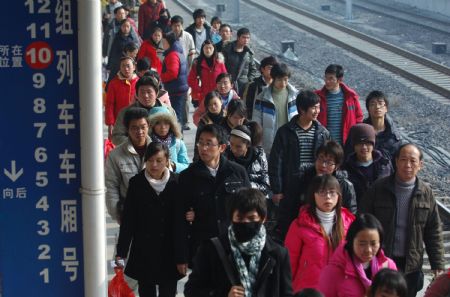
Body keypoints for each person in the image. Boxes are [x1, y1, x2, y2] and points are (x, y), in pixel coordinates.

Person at [359, 143, 445, 297]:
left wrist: (437, 263)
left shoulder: (426, 193)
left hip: (411, 264)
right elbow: (363, 220)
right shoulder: (379, 188)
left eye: (413, 161)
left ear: (420, 165)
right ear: (396, 161)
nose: (408, 165)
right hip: (382, 259)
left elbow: (433, 231)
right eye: (403, 159)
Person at [184, 188, 294, 297]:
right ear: (231, 218)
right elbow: (191, 291)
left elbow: (286, 293)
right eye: (240, 218)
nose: (246, 222)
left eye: (251, 218)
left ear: (263, 218)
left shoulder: (278, 253)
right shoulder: (211, 249)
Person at [174, 124, 251, 268]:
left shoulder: (238, 173)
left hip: (233, 248)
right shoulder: (187, 177)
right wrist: (181, 256)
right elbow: (180, 219)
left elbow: (249, 210)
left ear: (221, 147)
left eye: (209, 144)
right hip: (203, 249)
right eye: (201, 143)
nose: (203, 148)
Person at [116, 142, 181, 297]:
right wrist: (121, 252)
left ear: (167, 160)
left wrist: (183, 256)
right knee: (146, 291)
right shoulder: (137, 183)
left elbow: (181, 221)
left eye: (159, 160)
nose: (154, 165)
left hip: (169, 250)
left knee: (168, 292)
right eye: (150, 160)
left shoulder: (177, 182)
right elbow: (128, 221)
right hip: (144, 250)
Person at [285, 174, 355, 293]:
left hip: (340, 290)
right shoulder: (299, 225)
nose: (328, 197)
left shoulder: (350, 224)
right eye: (322, 192)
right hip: (308, 291)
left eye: (332, 192)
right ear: (313, 195)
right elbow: (289, 264)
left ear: (339, 196)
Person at [277, 141, 357, 239]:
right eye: (321, 159)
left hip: (335, 234)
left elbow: (350, 216)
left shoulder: (344, 186)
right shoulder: (300, 180)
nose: (323, 165)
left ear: (336, 166)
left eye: (329, 162)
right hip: (303, 233)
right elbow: (287, 211)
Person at [269, 89, 328, 210]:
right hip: (290, 185)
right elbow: (276, 161)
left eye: (318, 107)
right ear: (301, 109)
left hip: (314, 184)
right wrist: (277, 189)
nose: (317, 111)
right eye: (314, 108)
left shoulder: (323, 133)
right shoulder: (285, 132)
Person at [319, 213, 397, 297]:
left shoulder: (388, 267)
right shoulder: (334, 271)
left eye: (373, 244)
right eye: (362, 244)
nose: (368, 250)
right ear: (351, 242)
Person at [105, 107, 151, 223]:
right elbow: (111, 186)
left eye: (142, 127)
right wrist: (119, 215)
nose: (139, 132)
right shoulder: (115, 155)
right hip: (129, 213)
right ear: (127, 129)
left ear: (148, 126)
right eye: (134, 128)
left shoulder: (160, 151)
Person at [112, 75, 175, 145]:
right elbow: (116, 137)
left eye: (149, 92)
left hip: (164, 153)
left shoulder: (168, 110)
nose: (146, 95)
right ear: (136, 94)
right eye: (142, 92)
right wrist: (137, 143)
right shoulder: (126, 112)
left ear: (157, 93)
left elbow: (177, 134)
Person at [345, 90, 403, 161]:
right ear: (368, 109)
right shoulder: (359, 132)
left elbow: (398, 160)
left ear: (386, 108)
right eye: (373, 104)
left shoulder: (394, 135)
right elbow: (348, 155)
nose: (377, 107)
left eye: (380, 103)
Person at [253, 63, 298, 154]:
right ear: (273, 78)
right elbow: (257, 121)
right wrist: (258, 142)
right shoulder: (263, 97)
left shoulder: (294, 96)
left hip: (289, 140)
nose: (283, 83)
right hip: (270, 142)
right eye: (279, 80)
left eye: (285, 79)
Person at [343, 123, 393, 204]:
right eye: (360, 143)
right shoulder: (347, 168)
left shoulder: (384, 165)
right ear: (354, 145)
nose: (364, 147)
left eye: (368, 143)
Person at [315, 64, 363, 145]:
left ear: (339, 80)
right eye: (326, 78)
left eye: (331, 78)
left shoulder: (351, 97)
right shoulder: (318, 97)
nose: (327, 81)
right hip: (325, 143)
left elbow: (359, 117)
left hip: (347, 143)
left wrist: (355, 136)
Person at [224, 125, 270, 197]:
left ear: (248, 144)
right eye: (231, 144)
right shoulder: (225, 156)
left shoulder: (259, 156)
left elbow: (266, 186)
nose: (234, 149)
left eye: (239, 146)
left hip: (255, 201)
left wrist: (246, 185)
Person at [188, 39, 227, 115]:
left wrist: (223, 89)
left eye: (210, 48)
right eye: (206, 48)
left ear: (214, 49)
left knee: (218, 115)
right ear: (202, 49)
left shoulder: (219, 62)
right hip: (204, 95)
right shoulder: (197, 62)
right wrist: (199, 89)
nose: (208, 50)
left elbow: (225, 78)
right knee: (204, 116)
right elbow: (190, 79)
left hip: (218, 94)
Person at [148, 106, 189, 173]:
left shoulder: (178, 143)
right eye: (158, 123)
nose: (163, 127)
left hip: (174, 181)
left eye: (166, 123)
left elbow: (186, 166)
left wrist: (174, 166)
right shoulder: (147, 143)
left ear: (171, 125)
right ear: (152, 125)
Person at [105, 56, 139, 136]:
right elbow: (109, 105)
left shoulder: (139, 82)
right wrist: (110, 124)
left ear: (134, 67)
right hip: (119, 122)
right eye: (123, 66)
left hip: (137, 121)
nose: (126, 69)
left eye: (128, 66)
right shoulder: (113, 84)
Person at [161, 33, 189, 127]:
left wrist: (161, 76)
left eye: (164, 42)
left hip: (175, 90)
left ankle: (178, 139)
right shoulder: (177, 52)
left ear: (169, 43)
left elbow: (172, 73)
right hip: (178, 88)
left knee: (176, 117)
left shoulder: (172, 55)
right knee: (177, 116)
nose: (163, 45)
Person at [222, 27, 258, 97]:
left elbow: (253, 69)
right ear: (238, 37)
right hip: (228, 83)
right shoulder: (227, 49)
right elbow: (222, 66)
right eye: (244, 37)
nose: (246, 40)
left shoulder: (248, 53)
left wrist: (248, 81)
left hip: (243, 86)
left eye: (248, 38)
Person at [193, 91, 226, 161]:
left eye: (215, 104)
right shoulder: (204, 121)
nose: (213, 107)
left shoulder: (228, 118)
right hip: (209, 156)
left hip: (226, 156)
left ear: (221, 101)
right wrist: (196, 160)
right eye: (210, 105)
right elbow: (198, 142)